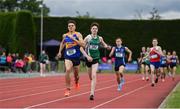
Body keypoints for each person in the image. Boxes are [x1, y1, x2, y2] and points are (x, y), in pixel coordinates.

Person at [83, 22, 111, 100]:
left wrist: (107, 47)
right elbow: (82, 47)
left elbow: (104, 45)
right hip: (88, 59)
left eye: (96, 29)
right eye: (93, 28)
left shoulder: (100, 38)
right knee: (90, 77)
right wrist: (87, 56)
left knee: (94, 75)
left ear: (98, 30)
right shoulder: (88, 37)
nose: (94, 30)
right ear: (91, 30)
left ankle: (92, 93)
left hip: (96, 59)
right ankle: (93, 82)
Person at [57, 20, 85, 97]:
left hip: (76, 57)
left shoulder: (78, 34)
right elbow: (62, 43)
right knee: (68, 69)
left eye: (72, 25)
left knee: (76, 75)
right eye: (69, 26)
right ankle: (67, 89)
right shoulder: (65, 35)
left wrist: (74, 39)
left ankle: (76, 82)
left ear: (75, 27)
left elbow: (83, 44)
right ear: (68, 27)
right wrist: (59, 52)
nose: (70, 27)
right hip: (68, 56)